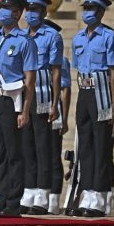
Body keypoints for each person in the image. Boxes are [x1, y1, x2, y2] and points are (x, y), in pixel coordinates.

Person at [0, 0, 37, 216]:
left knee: (13, 152)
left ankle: (13, 201)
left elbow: (30, 81)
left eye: (7, 8)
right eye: (1, 7)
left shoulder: (25, 42)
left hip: (11, 101)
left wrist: (24, 111)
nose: (2, 12)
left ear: (16, 13)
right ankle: (2, 197)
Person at [70, 0, 114, 217]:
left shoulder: (109, 37)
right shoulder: (78, 38)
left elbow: (112, 74)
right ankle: (87, 192)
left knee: (101, 146)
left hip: (102, 93)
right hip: (85, 92)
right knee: (86, 146)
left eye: (91, 9)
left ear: (100, 12)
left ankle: (100, 196)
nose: (87, 13)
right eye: (85, 9)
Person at [19, 0, 63, 215]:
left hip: (44, 95)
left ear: (44, 12)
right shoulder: (21, 36)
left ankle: (43, 194)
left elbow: (56, 73)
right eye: (28, 9)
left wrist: (55, 104)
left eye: (35, 10)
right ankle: (30, 189)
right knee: (26, 145)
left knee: (43, 146)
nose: (30, 14)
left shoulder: (52, 36)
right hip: (25, 95)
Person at [42, 19, 70, 215]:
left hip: (54, 109)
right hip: (38, 108)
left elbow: (65, 90)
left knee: (52, 155)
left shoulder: (62, 61)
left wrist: (65, 117)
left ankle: (53, 198)